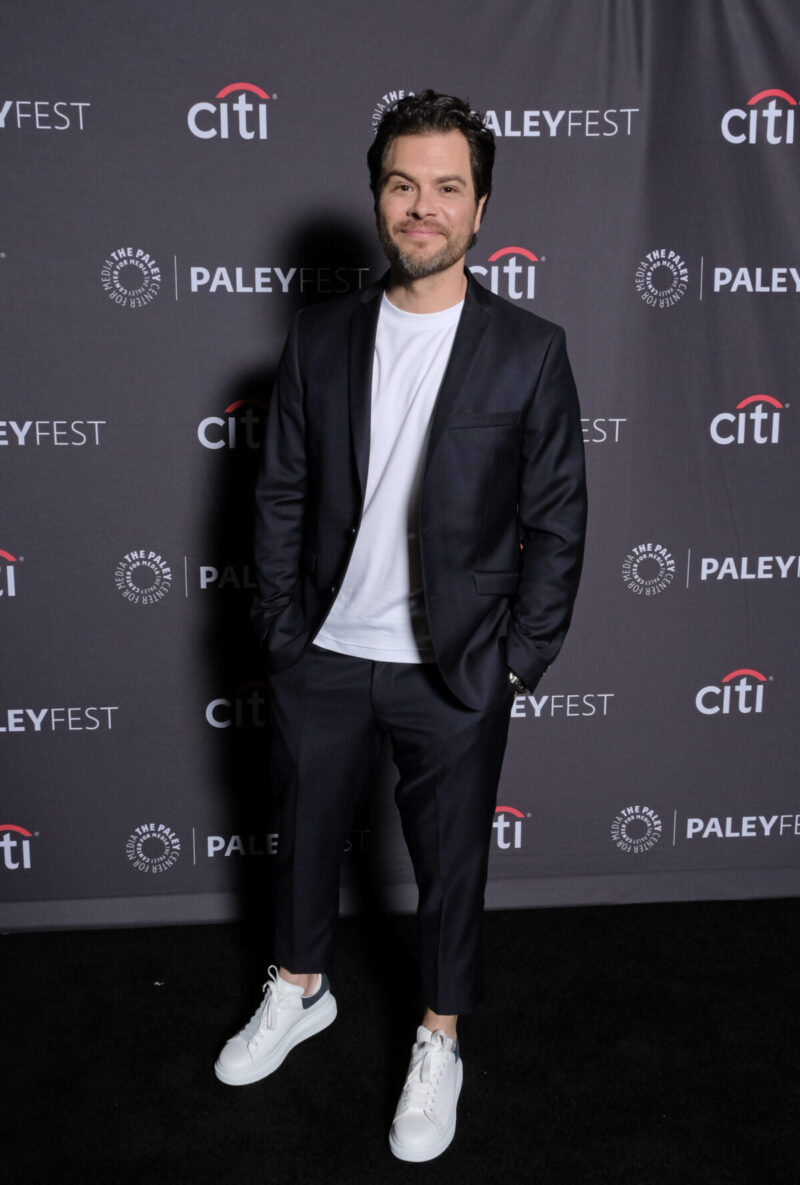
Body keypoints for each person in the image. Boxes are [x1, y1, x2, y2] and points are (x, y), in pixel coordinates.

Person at [214, 89, 587, 1162]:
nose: (421, 208)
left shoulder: (530, 348)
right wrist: (282, 634)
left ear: (479, 210)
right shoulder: (318, 334)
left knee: (451, 865)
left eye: (446, 189)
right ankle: (298, 989)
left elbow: (556, 521)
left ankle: (439, 1039)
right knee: (299, 848)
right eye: (401, 185)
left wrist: (516, 661)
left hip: (454, 668)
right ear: (377, 197)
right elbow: (278, 492)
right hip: (323, 652)